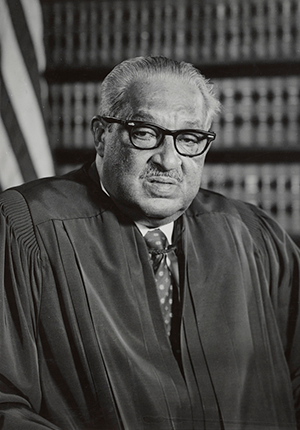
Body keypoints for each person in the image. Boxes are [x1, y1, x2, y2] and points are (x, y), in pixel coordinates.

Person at [0, 56, 299, 430]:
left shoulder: (253, 235)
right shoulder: (28, 226)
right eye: (145, 133)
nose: (168, 160)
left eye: (189, 138)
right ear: (101, 135)